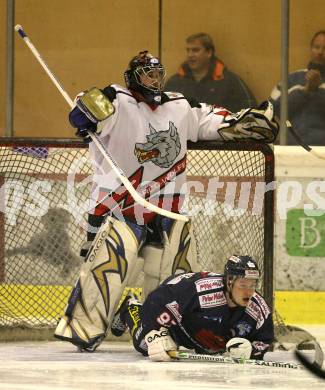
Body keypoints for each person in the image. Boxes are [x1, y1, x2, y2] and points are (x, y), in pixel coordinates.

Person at [54, 50, 278, 352]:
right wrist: (86, 112)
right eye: (148, 74)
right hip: (118, 208)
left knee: (174, 281)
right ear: (133, 77)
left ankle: (144, 321)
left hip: (166, 210)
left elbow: (207, 120)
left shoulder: (178, 105)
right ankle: (83, 328)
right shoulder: (117, 101)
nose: (155, 80)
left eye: (158, 74)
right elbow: (84, 113)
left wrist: (243, 122)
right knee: (108, 270)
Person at [111, 255, 274, 362]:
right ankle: (130, 308)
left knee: (212, 350)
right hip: (178, 320)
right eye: (243, 284)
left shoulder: (258, 308)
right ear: (229, 282)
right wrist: (154, 333)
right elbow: (157, 301)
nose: (249, 291)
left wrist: (251, 351)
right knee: (145, 346)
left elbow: (264, 339)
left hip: (206, 335)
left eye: (253, 285)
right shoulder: (201, 291)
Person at [165, 33, 257, 112]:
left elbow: (250, 109)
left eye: (195, 50)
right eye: (188, 50)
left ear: (209, 52)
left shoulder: (230, 81)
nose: (190, 55)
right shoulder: (175, 82)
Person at [270, 30, 325, 146]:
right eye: (316, 47)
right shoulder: (292, 78)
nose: (320, 52)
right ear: (311, 49)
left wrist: (317, 93)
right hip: (291, 147)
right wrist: (305, 91)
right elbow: (271, 110)